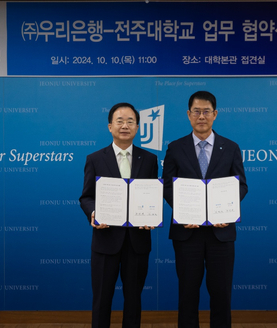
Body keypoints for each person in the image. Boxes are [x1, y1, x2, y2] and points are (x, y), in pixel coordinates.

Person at [162, 91, 248, 328]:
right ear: (188, 115)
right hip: (187, 232)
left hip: (221, 233)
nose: (201, 116)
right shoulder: (175, 148)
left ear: (215, 114)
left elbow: (241, 185)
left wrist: (227, 212)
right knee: (188, 293)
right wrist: (182, 210)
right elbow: (167, 185)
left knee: (221, 294)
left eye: (206, 111)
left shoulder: (230, 147)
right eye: (196, 111)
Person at [80, 102, 159, 328]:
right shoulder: (95, 159)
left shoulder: (150, 159)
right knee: (102, 299)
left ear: (137, 127)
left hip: (137, 241)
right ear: (110, 127)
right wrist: (94, 213)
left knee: (133, 300)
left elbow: (151, 194)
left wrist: (151, 217)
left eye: (130, 121)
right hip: (105, 240)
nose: (125, 125)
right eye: (120, 121)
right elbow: (86, 197)